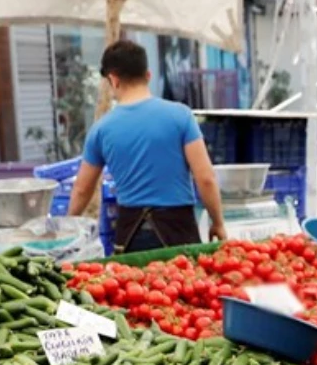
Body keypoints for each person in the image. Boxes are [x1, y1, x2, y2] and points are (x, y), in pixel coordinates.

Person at [68, 40, 227, 252]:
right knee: (183, 285)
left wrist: (66, 227)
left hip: (131, 236)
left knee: (136, 284)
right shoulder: (180, 116)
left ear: (113, 80)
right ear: (148, 75)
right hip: (179, 232)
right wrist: (217, 222)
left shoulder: (101, 129)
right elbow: (205, 178)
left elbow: (81, 190)